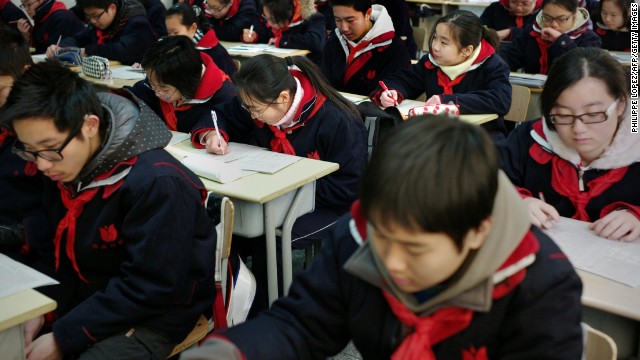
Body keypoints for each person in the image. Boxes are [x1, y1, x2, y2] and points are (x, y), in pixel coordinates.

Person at [181, 116, 584, 360]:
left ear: (478, 230)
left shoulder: (541, 284)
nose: (390, 262)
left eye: (416, 251)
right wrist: (233, 351)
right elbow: (302, 325)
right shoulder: (357, 236)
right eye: (383, 238)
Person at [0, 61, 217, 359]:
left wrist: (63, 337)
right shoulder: (64, 165)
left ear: (90, 125)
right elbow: (55, 245)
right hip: (91, 292)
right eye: (28, 150)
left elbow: (151, 286)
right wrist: (42, 306)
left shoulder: (158, 183)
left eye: (49, 148)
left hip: (157, 312)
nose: (41, 164)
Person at [196, 54, 368, 313]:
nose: (251, 114)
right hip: (274, 196)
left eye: (255, 109)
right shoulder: (259, 101)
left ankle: (267, 314)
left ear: (284, 99)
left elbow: (349, 187)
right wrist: (212, 133)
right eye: (248, 108)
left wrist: (287, 186)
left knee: (270, 238)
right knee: (227, 228)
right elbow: (220, 115)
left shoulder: (338, 120)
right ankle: (227, 304)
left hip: (331, 206)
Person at [497, 47, 640, 241]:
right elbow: (486, 181)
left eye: (593, 115)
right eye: (563, 115)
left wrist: (637, 216)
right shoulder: (530, 138)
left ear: (621, 104)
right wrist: (514, 201)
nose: (578, 129)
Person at [371, 10, 512, 140]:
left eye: (444, 42)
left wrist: (446, 101)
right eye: (435, 38)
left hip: (480, 138)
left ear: (467, 50)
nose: (435, 46)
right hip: (437, 135)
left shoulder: (492, 65)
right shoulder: (431, 62)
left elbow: (500, 99)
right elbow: (405, 80)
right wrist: (392, 91)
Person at [128, 35, 236, 135]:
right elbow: (133, 95)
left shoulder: (224, 96)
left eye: (164, 89)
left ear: (185, 81)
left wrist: (209, 135)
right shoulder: (160, 77)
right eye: (152, 84)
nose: (157, 93)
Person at [0, 26, 44, 256]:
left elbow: (61, 214)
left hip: (24, 242)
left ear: (25, 74)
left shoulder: (49, 128)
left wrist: (14, 234)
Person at [320, 0, 411, 96]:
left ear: (368, 13)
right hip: (334, 107)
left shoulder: (394, 48)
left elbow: (396, 87)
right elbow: (324, 82)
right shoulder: (334, 41)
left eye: (350, 20)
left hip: (373, 109)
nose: (344, 28)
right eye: (338, 20)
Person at [498, 0, 601, 74]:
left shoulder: (589, 38)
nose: (553, 24)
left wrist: (561, 40)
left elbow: (583, 67)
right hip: (533, 90)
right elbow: (510, 55)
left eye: (561, 19)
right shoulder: (532, 32)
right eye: (547, 18)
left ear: (574, 14)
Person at [44, 0, 157, 65]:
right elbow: (78, 39)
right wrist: (60, 47)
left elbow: (123, 51)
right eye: (88, 16)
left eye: (96, 15)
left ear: (112, 8)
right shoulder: (98, 24)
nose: (92, 21)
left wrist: (89, 50)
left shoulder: (137, 22)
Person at [241, 0, 326, 65]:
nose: (269, 23)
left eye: (273, 20)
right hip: (278, 65)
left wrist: (282, 41)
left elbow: (315, 41)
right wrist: (254, 37)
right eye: (266, 18)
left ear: (288, 14)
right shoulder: (275, 20)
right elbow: (267, 35)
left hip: (308, 68)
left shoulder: (312, 18)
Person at [166, 3, 237, 75]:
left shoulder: (214, 53)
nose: (172, 38)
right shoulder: (176, 49)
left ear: (193, 28)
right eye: (169, 33)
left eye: (175, 33)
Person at [15, 0, 84, 54]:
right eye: (23, 5)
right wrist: (26, 36)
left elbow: (54, 51)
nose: (26, 9)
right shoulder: (40, 16)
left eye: (28, 4)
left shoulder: (61, 17)